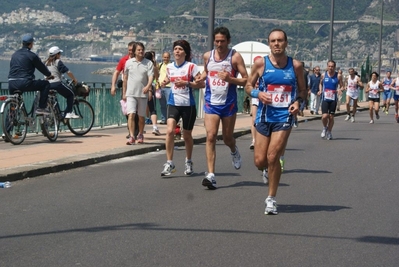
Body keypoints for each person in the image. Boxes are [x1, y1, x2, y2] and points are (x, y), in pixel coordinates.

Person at [245, 28, 307, 215]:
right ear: (269, 43)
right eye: (273, 41)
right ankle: (268, 168)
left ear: (286, 43)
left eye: (280, 40)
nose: (277, 44)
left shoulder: (295, 66)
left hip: (284, 116)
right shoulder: (260, 64)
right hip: (264, 116)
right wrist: (258, 93)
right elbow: (248, 86)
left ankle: (271, 198)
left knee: (272, 157)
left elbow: (303, 91)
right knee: (259, 161)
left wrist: (297, 102)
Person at [196, 26, 248, 190]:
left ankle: (233, 149)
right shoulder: (207, 56)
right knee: (210, 136)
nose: (219, 44)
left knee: (227, 137)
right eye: (217, 41)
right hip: (211, 103)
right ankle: (211, 175)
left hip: (228, 103)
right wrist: (199, 79)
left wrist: (230, 79)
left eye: (222, 41)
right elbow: (207, 73)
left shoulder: (235, 57)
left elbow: (245, 79)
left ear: (228, 41)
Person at [159, 40, 203, 176]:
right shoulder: (170, 67)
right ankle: (169, 163)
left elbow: (201, 84)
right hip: (173, 103)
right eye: (175, 49)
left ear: (185, 52)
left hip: (188, 105)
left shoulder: (191, 67)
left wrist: (187, 83)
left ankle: (188, 161)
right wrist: (164, 82)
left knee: (187, 135)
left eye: (180, 49)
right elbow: (167, 78)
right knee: (170, 131)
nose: (177, 51)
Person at [8, 34, 54, 115]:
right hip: (25, 82)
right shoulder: (32, 55)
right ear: (31, 44)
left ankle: (9, 124)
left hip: (11, 83)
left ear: (23, 43)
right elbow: (41, 67)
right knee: (45, 84)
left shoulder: (15, 54)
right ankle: (41, 108)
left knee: (13, 104)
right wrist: (49, 75)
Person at [123, 42, 154, 144]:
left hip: (142, 94)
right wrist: (124, 93)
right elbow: (125, 78)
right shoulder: (128, 63)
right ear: (135, 51)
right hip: (131, 93)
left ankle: (140, 134)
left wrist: (148, 87)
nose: (141, 52)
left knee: (141, 117)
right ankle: (132, 136)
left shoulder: (148, 63)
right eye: (139, 50)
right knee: (131, 114)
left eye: (142, 50)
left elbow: (151, 77)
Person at [44, 46, 79, 119]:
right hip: (56, 84)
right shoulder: (57, 62)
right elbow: (68, 72)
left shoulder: (46, 62)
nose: (60, 55)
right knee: (71, 94)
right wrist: (74, 79)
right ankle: (69, 112)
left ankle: (58, 114)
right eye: (59, 53)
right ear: (56, 54)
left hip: (46, 85)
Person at [111, 41, 136, 138]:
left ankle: (134, 131)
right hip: (126, 88)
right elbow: (116, 72)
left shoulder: (139, 60)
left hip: (137, 88)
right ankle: (131, 130)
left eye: (132, 50)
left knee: (135, 112)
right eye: (129, 50)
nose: (130, 52)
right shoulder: (123, 60)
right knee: (127, 110)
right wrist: (113, 86)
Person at [318, 60, 343, 140]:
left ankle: (329, 131)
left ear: (334, 67)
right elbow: (320, 84)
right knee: (324, 116)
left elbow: (342, 86)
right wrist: (320, 90)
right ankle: (325, 127)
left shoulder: (338, 76)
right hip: (325, 98)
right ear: (327, 66)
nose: (330, 68)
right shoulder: (323, 75)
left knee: (331, 117)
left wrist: (340, 90)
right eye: (329, 66)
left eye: (332, 66)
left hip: (333, 98)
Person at [144, 51, 161, 135]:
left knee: (140, 109)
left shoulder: (143, 65)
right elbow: (157, 77)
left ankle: (140, 128)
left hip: (142, 88)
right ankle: (155, 127)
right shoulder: (153, 67)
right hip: (151, 88)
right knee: (152, 109)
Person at [158, 52, 172, 124]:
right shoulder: (160, 65)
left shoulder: (171, 66)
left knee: (169, 104)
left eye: (167, 57)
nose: (166, 59)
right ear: (162, 57)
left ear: (169, 58)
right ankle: (164, 119)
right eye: (164, 57)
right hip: (160, 87)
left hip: (169, 87)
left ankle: (170, 119)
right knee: (162, 104)